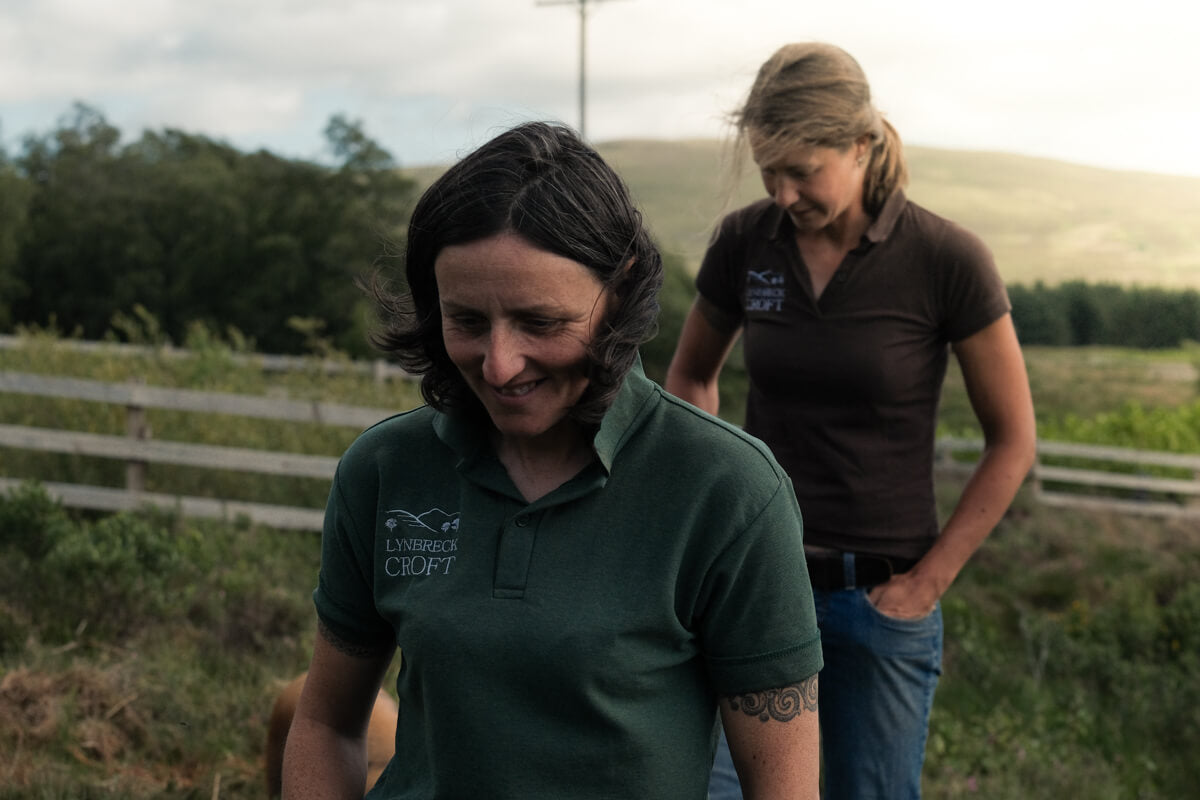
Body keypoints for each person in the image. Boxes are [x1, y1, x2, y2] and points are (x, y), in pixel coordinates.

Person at [281, 121, 823, 799]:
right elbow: (327, 724)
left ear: (620, 291)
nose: (500, 365)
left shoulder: (728, 491)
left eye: (542, 323)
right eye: (467, 321)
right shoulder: (386, 470)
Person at [664, 43, 1037, 800]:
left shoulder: (947, 258)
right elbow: (691, 378)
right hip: (755, 591)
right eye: (770, 170)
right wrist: (699, 528)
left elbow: (1013, 440)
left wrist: (926, 584)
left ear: (862, 146)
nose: (784, 191)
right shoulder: (746, 241)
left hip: (881, 602)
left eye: (804, 170)